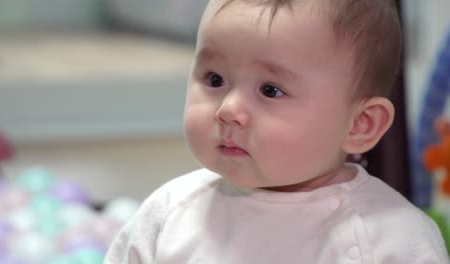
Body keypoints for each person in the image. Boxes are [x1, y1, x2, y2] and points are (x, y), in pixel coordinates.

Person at [104, 0, 449, 263]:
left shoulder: (393, 238)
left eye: (270, 90)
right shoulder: (169, 212)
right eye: (215, 80)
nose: (228, 110)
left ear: (361, 125)